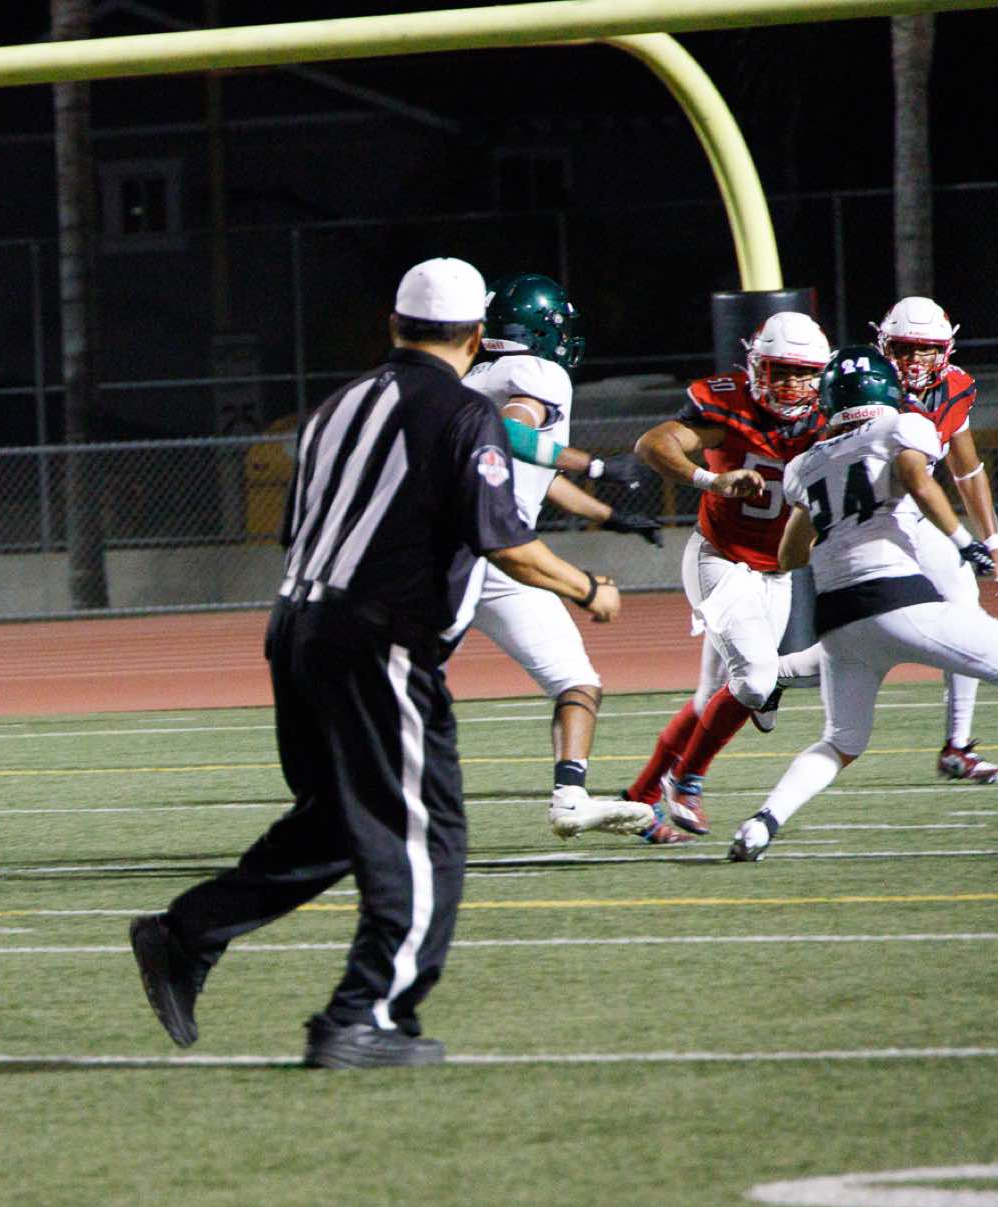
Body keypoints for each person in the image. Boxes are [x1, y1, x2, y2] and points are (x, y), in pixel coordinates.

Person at [127, 259, 627, 1069]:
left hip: (294, 628)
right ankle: (364, 1016)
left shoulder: (335, 408)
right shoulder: (464, 412)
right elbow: (504, 539)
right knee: (430, 836)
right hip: (377, 639)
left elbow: (300, 530)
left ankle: (186, 934)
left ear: (394, 325)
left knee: (339, 821)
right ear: (475, 336)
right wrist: (587, 587)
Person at [727, 346, 998, 860]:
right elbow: (916, 478)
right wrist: (968, 545)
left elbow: (789, 555)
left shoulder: (805, 464)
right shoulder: (902, 426)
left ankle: (762, 823)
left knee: (841, 741)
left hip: (837, 619)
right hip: (897, 596)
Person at [767, 298, 998, 780]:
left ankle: (957, 744)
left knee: (944, 608)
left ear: (945, 350)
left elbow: (967, 471)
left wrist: (993, 541)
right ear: (884, 345)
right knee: (872, 629)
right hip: (862, 520)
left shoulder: (954, 387)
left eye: (926, 349)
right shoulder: (863, 383)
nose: (915, 360)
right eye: (905, 348)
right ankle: (777, 672)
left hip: (911, 515)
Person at [451, 273, 659, 840]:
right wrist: (596, 464)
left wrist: (610, 516)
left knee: (408, 685)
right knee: (576, 683)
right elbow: (510, 436)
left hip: (450, 549)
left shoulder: (472, 378)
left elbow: (534, 472)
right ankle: (568, 798)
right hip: (499, 550)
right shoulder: (538, 373)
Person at [620, 311, 831, 838]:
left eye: (803, 373)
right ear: (757, 366)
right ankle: (687, 780)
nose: (792, 384)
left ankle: (640, 800)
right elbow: (653, 444)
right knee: (756, 680)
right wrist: (709, 480)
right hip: (721, 559)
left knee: (713, 697)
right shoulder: (729, 404)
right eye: (781, 371)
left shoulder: (831, 416)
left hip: (776, 574)